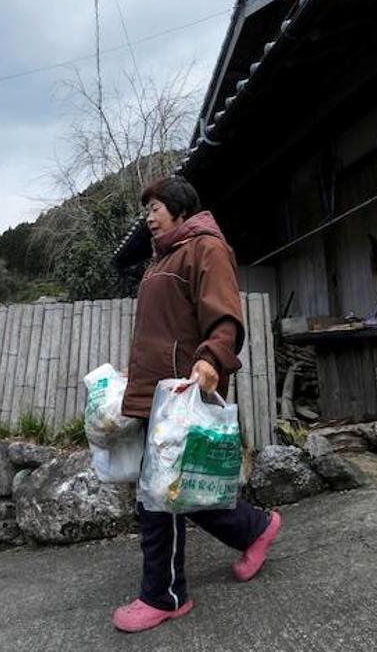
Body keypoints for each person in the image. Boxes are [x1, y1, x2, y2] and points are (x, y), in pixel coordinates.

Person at [112, 175, 282, 633]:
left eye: (156, 207)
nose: (148, 216)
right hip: (157, 391)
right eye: (145, 209)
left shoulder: (206, 247)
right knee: (175, 491)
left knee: (158, 498)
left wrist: (212, 359)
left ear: (181, 208)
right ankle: (255, 528)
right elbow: (161, 330)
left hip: (182, 393)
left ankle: (164, 596)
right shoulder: (161, 259)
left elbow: (225, 316)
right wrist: (137, 372)